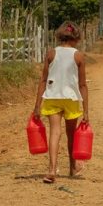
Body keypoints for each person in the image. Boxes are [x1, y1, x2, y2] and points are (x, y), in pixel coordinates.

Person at [33, 21, 89, 184]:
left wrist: (37, 105)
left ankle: (51, 169)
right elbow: (83, 84)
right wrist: (86, 111)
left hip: (52, 97)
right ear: (76, 38)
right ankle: (72, 168)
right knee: (71, 134)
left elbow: (43, 80)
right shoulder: (78, 56)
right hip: (71, 98)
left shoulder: (51, 53)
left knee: (55, 132)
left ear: (60, 37)